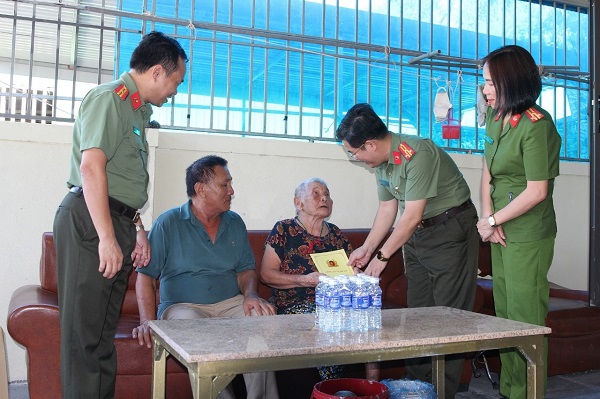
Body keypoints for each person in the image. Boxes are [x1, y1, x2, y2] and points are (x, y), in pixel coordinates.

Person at [52, 31, 187, 399]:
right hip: (91, 226)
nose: (176, 91)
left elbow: (121, 183)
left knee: (102, 340)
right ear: (158, 72)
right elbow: (92, 169)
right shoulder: (109, 99)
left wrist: (137, 229)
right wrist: (108, 238)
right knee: (84, 342)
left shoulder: (137, 111)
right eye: (176, 81)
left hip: (118, 223)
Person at [335, 103, 479, 398]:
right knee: (418, 315)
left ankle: (441, 392)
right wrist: (367, 248)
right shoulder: (382, 163)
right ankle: (415, 387)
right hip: (416, 238)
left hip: (449, 230)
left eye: (355, 152)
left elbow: (411, 215)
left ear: (371, 144)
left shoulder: (418, 154)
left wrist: (383, 257)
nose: (356, 158)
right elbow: (388, 209)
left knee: (447, 318)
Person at [132, 155, 280, 399]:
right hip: (183, 307)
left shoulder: (234, 222)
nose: (231, 190)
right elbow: (145, 276)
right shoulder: (168, 223)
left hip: (230, 303)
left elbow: (246, 270)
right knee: (195, 327)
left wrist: (251, 294)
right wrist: (148, 321)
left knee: (259, 321)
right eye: (225, 184)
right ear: (201, 189)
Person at [476, 45, 561, 399]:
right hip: (499, 232)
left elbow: (537, 191)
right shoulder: (497, 118)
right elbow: (488, 173)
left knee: (526, 319)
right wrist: (487, 221)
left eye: (491, 82)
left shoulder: (537, 125)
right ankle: (510, 390)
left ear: (512, 80)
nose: (485, 90)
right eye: (484, 83)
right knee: (506, 315)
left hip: (526, 233)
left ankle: (528, 393)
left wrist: (494, 218)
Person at [260, 178, 379, 380]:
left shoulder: (337, 235)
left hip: (338, 304)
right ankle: (332, 387)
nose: (324, 197)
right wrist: (306, 280)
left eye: (327, 194)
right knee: (326, 321)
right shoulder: (284, 230)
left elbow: (350, 272)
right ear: (299, 203)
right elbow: (266, 274)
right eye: (316, 193)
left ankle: (372, 387)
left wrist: (358, 278)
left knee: (367, 316)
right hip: (296, 304)